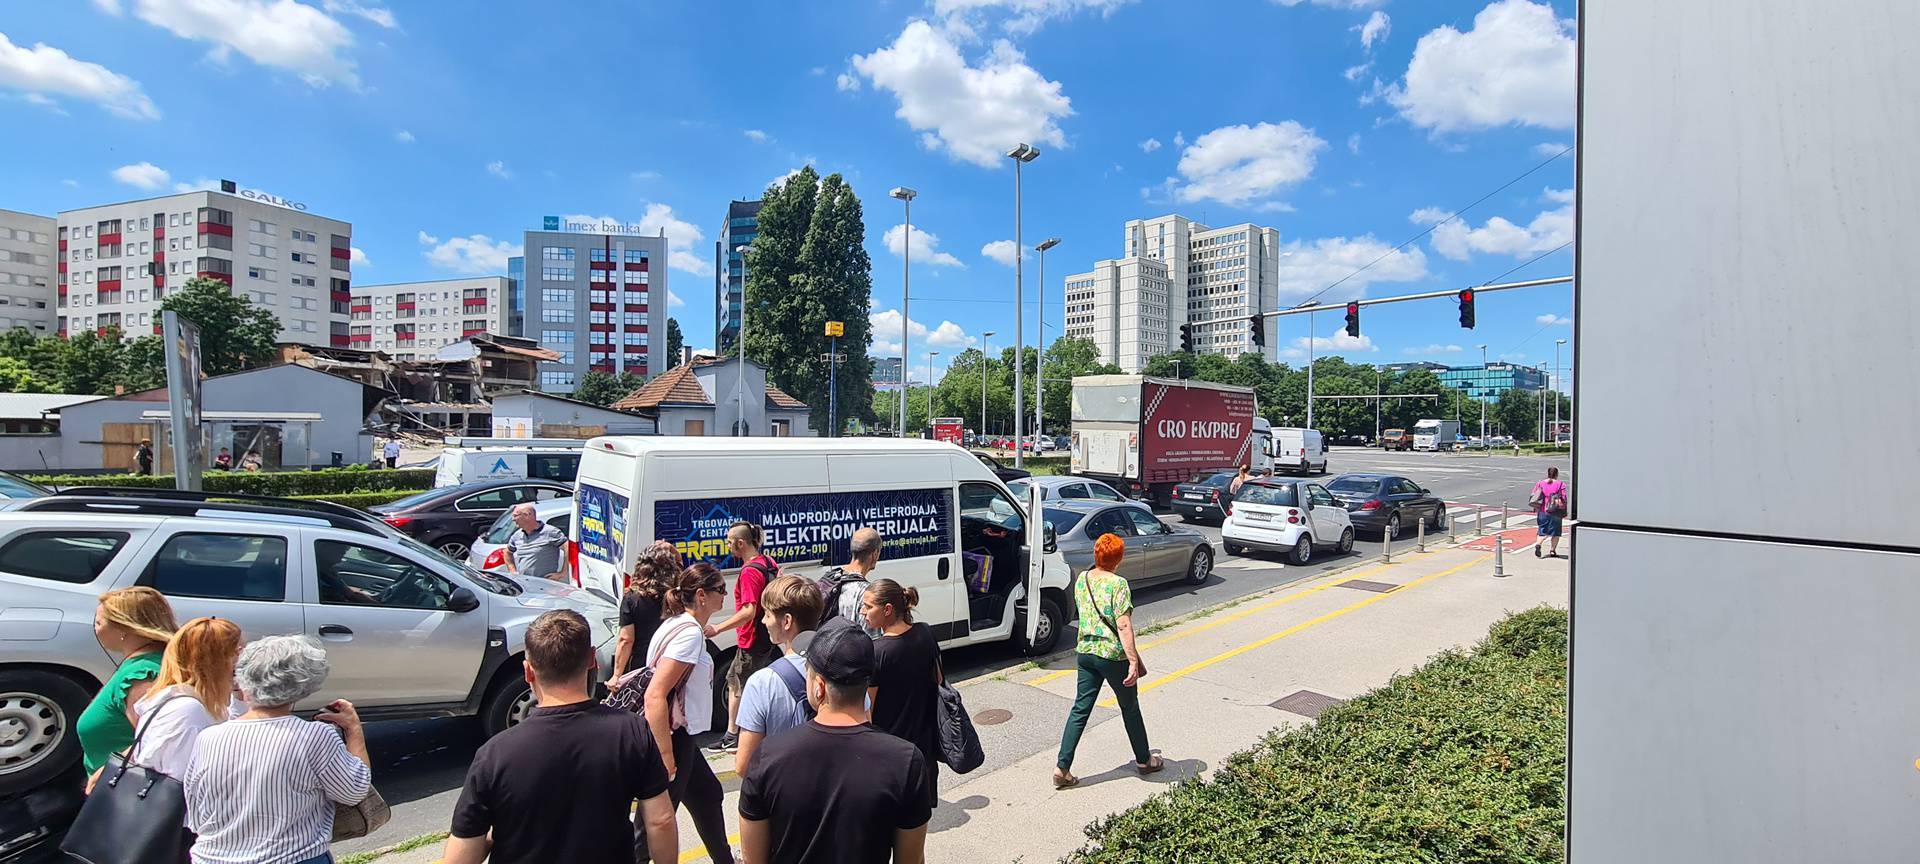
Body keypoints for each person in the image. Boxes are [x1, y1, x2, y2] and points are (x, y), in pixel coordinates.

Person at [445, 610, 677, 864]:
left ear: (528, 671)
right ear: (592, 660)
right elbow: (660, 820)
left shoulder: (494, 754)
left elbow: (462, 853)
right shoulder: (631, 731)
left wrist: (493, 836)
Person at [738, 621, 931, 864]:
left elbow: (753, 858)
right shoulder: (905, 760)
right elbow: (911, 859)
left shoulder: (769, 755)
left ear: (819, 687)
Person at [183, 635, 372, 864]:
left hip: (213, 858)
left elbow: (195, 813)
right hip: (290, 856)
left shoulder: (208, 738)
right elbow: (354, 791)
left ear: (244, 678)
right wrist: (353, 730)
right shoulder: (315, 736)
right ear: (304, 684)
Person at [642, 564, 735, 864]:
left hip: (684, 737)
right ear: (701, 595)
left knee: (708, 795)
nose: (726, 594)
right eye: (720, 589)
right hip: (673, 739)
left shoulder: (677, 625)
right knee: (654, 821)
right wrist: (666, 754)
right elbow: (655, 694)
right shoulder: (689, 636)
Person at [1054, 533, 1160, 789]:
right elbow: (1123, 625)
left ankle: (1062, 767)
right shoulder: (1118, 584)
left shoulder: (1083, 579)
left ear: (1096, 555)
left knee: (1080, 708)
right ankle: (1145, 761)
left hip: (1086, 652)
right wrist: (1133, 660)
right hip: (1112, 656)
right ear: (1119, 559)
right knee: (1129, 708)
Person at [78, 586, 176, 778]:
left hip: (121, 790)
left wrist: (105, 773)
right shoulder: (141, 661)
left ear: (123, 628)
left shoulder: (142, 676)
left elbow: (154, 741)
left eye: (98, 622)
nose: (95, 628)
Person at [129, 616, 244, 780]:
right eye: (237, 652)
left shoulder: (192, 700)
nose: (243, 660)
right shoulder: (187, 710)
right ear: (215, 661)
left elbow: (231, 730)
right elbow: (180, 780)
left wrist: (239, 696)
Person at [862, 578, 943, 806]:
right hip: (924, 750)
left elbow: (868, 710)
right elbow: (938, 679)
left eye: (869, 607)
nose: (863, 612)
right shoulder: (925, 633)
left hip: (891, 754)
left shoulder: (877, 652)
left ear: (887, 610)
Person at [735, 574, 823, 778]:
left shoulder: (762, 682)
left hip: (787, 795)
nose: (763, 621)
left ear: (786, 621)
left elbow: (744, 766)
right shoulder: (843, 668)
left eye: (767, 614)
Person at [704, 521, 778, 753]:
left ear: (740, 543)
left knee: (736, 683)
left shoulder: (749, 573)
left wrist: (718, 628)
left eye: (729, 542)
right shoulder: (768, 562)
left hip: (752, 637)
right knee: (740, 680)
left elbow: (748, 611)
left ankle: (732, 735)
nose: (727, 547)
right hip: (764, 636)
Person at [610, 542, 680, 683]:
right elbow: (679, 563)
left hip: (643, 666)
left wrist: (616, 675)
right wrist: (671, 550)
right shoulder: (677, 593)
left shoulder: (632, 598)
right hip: (674, 661)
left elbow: (626, 640)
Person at [819, 527, 883, 637]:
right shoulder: (866, 593)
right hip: (850, 652)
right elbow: (872, 640)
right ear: (875, 554)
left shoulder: (830, 578)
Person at [503, 503, 568, 581]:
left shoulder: (550, 532)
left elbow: (568, 548)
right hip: (525, 584)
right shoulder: (517, 535)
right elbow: (507, 552)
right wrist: (512, 571)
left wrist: (563, 572)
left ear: (527, 515)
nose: (513, 519)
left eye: (516, 515)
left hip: (546, 585)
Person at [1531, 466, 1570, 559]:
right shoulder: (1560, 484)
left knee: (1542, 530)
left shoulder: (1540, 483)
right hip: (1555, 511)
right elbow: (1564, 497)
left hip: (1543, 510)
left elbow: (1534, 495)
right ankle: (1552, 550)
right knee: (1555, 532)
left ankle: (1538, 544)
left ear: (1548, 473)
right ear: (1557, 474)